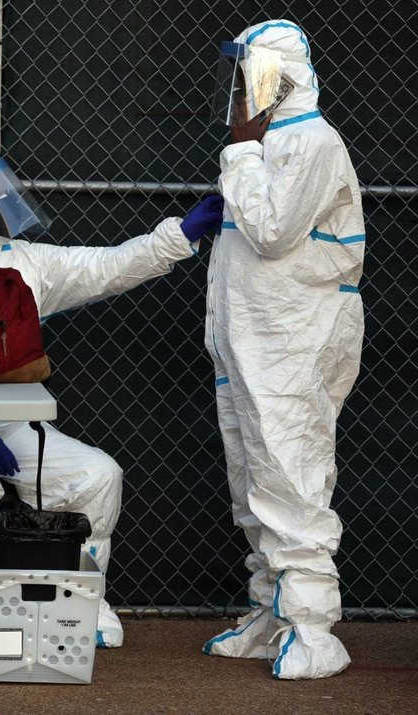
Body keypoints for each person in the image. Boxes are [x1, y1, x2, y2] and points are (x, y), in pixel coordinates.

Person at [0, 158, 223, 649]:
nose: (5, 202)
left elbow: (107, 267)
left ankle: (77, 605)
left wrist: (177, 236)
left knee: (95, 476)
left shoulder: (27, 264)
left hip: (5, 425)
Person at [202, 20, 364, 680]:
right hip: (254, 338)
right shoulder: (270, 142)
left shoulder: (312, 142)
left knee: (291, 471)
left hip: (294, 337)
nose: (241, 87)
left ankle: (312, 627)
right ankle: (273, 610)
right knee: (255, 475)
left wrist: (241, 152)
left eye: (251, 73)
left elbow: (272, 234)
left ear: (280, 77)